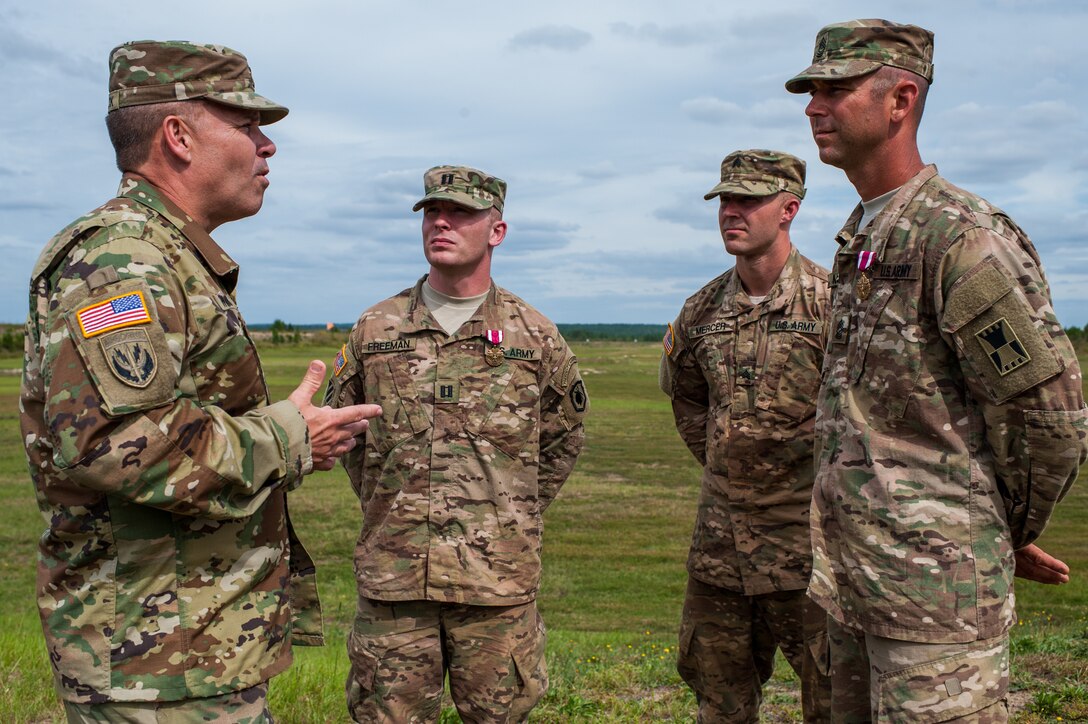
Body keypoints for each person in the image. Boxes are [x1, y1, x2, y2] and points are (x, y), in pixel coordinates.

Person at [19, 40, 381, 721]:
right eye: (246, 125)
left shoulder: (166, 253)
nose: (266, 146)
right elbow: (121, 444)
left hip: (186, 654)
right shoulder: (122, 260)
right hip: (153, 666)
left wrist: (295, 438)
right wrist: (287, 435)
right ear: (178, 137)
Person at [785, 19, 1088, 721]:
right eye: (811, 91)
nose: (813, 106)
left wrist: (995, 527)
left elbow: (1049, 420)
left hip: (935, 611)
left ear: (901, 99)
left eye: (836, 88)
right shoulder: (862, 236)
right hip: (857, 589)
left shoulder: (958, 235)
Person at [325, 165, 588, 722]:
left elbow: (563, 436)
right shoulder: (377, 329)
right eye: (431, 212)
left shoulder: (533, 334)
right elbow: (347, 434)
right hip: (395, 586)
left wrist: (510, 512)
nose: (440, 222)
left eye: (461, 213)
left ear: (497, 231)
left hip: (495, 586)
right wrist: (390, 503)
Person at [660, 150, 831, 723]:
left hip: (809, 548)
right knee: (719, 701)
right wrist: (727, 462)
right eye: (724, 200)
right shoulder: (701, 310)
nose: (731, 212)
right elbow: (687, 398)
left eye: (748, 200)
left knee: (834, 699)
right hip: (720, 551)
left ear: (789, 209)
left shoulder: (834, 303)